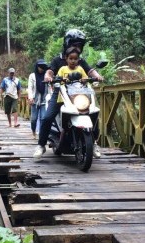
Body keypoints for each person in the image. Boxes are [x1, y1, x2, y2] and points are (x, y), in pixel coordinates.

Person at [33, 28, 103, 159]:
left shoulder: (80, 61)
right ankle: (41, 145)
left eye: (80, 45)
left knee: (94, 113)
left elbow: (90, 71)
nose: (77, 48)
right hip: (61, 93)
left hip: (79, 94)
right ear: (67, 44)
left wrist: (97, 75)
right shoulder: (58, 60)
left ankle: (93, 144)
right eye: (75, 44)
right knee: (47, 117)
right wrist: (48, 76)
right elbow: (50, 71)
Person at [28, 59, 49, 139]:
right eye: (39, 67)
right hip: (34, 100)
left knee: (43, 118)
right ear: (37, 67)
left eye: (43, 67)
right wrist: (30, 97)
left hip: (44, 100)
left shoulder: (47, 76)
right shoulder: (32, 76)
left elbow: (50, 87)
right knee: (34, 119)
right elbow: (30, 87)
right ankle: (33, 131)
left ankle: (41, 134)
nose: (41, 68)